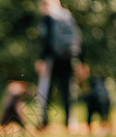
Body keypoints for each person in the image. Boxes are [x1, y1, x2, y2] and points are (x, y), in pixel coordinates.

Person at [35, 0, 83, 130]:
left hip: (52, 59)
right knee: (67, 90)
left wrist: (42, 59)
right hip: (68, 58)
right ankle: (70, 122)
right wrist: (81, 60)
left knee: (45, 91)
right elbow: (78, 37)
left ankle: (44, 122)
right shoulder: (67, 15)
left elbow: (46, 40)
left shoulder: (48, 17)